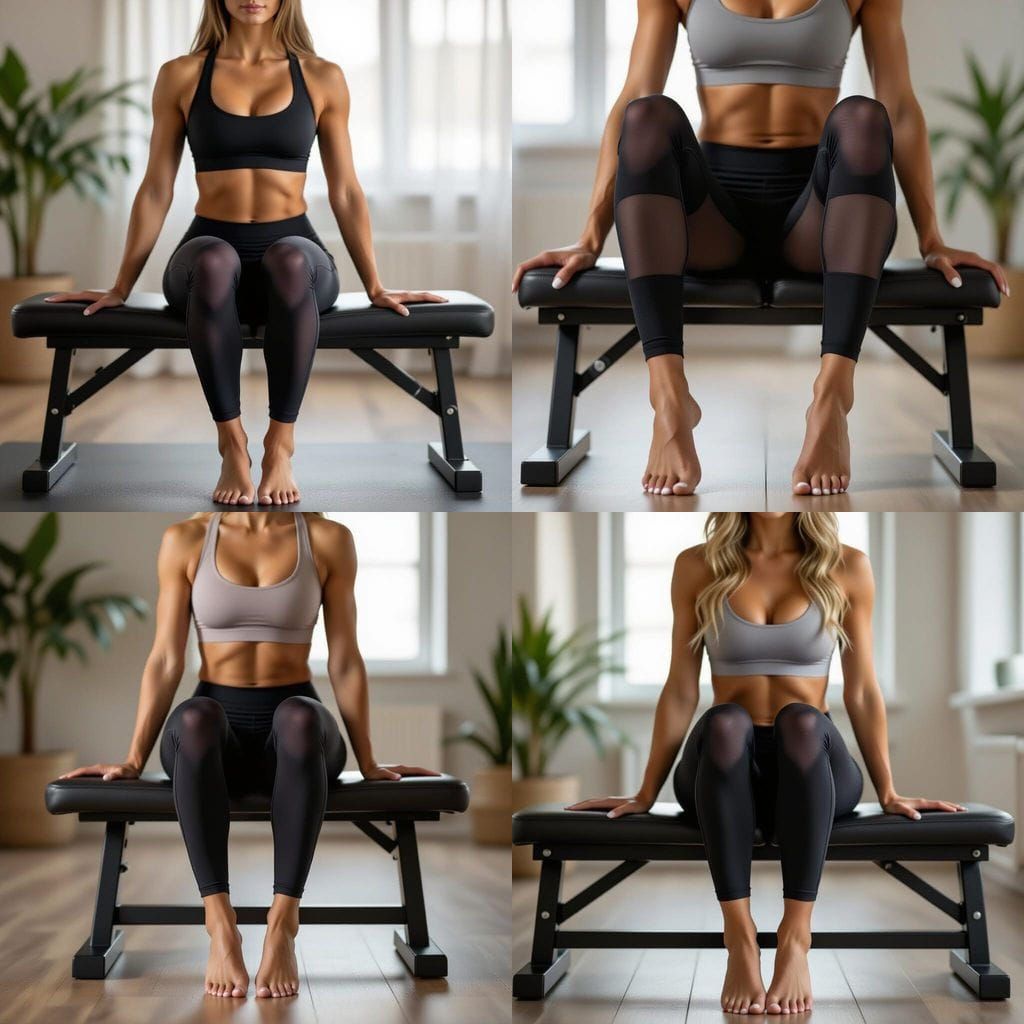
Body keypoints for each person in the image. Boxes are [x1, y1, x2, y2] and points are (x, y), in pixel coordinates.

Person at [513, 0, 1009, 497]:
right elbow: (635, 93)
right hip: (714, 222)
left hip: (820, 219)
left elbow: (899, 106)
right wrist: (590, 238)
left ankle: (832, 399)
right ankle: (668, 399)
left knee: (865, 117)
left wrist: (931, 239)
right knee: (646, 115)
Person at [46, 0, 446, 505]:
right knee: (213, 262)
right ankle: (232, 444)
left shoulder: (321, 76)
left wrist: (375, 286)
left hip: (295, 263)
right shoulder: (181, 75)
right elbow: (156, 188)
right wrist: (120, 286)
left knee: (292, 260)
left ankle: (280, 445)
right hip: (208, 263)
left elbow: (346, 190)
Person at [568, 512, 964, 1014]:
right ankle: (739, 937)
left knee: (800, 720)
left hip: (810, 762)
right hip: (726, 765)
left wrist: (888, 790)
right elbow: (681, 687)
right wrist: (646, 791)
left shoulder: (846, 566)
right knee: (725, 720)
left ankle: (796, 937)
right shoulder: (698, 565)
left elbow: (862, 689)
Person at [59, 512, 440, 998]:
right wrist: (133, 759)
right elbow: (166, 657)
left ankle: (283, 924)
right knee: (195, 718)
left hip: (296, 737)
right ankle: (220, 924)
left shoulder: (328, 539)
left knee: (300, 716)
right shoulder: (186, 539)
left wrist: (368, 762)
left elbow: (345, 658)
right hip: (215, 739)